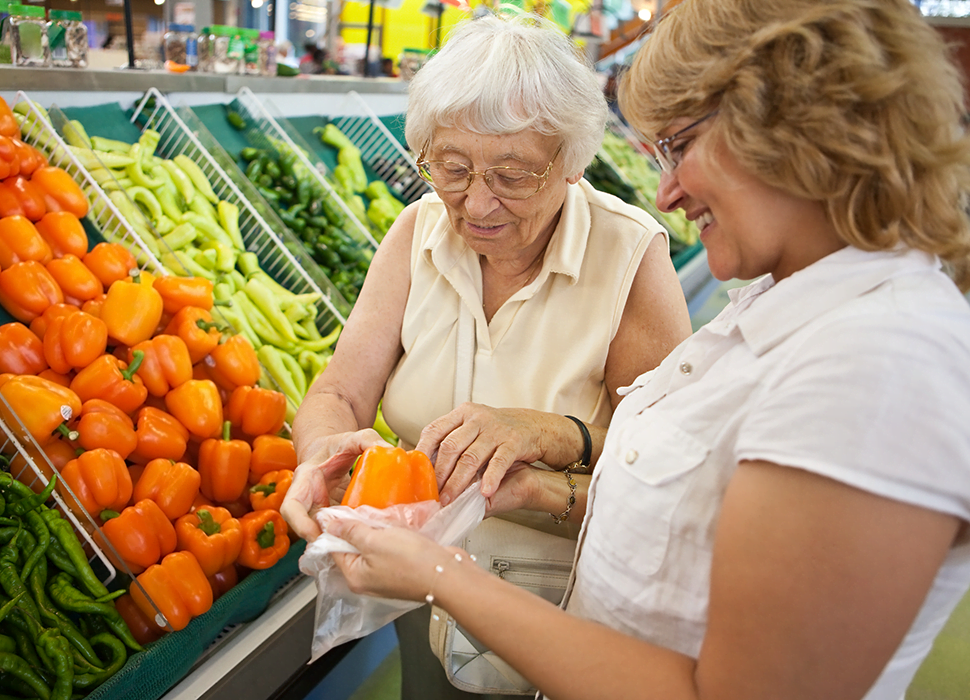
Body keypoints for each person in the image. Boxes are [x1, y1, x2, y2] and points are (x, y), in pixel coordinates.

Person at [314, 1, 970, 699]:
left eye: (679, 145)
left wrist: (439, 575)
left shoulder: (879, 362)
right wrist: (532, 487)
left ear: (794, 130)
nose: (666, 190)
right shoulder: (782, 313)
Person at [280, 11, 691, 700]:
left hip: (564, 611)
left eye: (512, 174)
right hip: (415, 595)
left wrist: (554, 439)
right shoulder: (416, 231)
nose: (475, 202)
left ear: (571, 162)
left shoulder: (628, 254)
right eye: (450, 167)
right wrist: (321, 452)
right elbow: (339, 395)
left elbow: (671, 476)